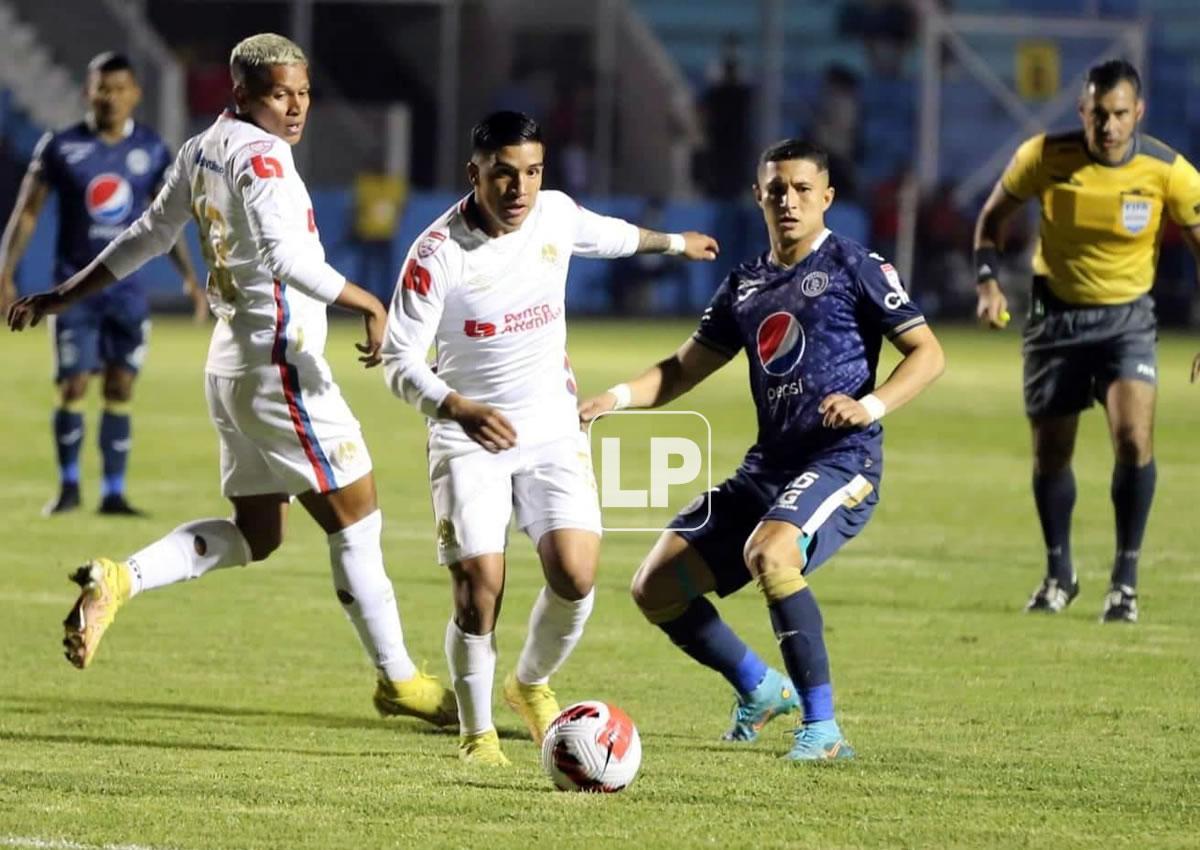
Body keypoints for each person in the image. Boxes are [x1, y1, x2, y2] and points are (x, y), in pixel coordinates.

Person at [6, 33, 455, 728]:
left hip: (232, 366)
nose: (298, 107)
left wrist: (60, 294)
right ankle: (399, 679)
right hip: (280, 364)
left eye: (304, 92)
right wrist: (369, 302)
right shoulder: (263, 158)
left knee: (260, 533)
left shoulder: (202, 147)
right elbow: (284, 258)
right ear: (240, 93)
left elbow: (149, 234)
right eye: (281, 94)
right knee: (357, 519)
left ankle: (119, 579)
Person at [578, 138, 945, 761]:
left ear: (827, 198)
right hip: (767, 468)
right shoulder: (745, 284)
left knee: (771, 555)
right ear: (759, 196)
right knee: (654, 588)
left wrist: (869, 405)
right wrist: (612, 398)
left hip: (841, 460)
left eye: (803, 190)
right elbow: (681, 369)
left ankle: (823, 730)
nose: (789, 201)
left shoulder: (858, 266)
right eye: (777, 190)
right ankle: (758, 688)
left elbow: (928, 353)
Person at [381, 110, 719, 765]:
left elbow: (615, 237)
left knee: (576, 573)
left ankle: (528, 685)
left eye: (532, 172)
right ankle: (476, 734)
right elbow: (399, 361)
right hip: (466, 433)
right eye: (503, 174)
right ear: (474, 173)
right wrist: (455, 406)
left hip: (550, 428)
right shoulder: (437, 253)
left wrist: (677, 243)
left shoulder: (555, 216)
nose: (519, 189)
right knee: (480, 585)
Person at [974, 60, 1200, 623]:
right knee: (1052, 453)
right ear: (1083, 111)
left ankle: (1124, 581)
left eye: (1120, 114)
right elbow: (990, 221)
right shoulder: (1044, 156)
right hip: (1055, 321)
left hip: (1128, 322)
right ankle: (1059, 573)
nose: (1109, 125)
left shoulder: (1168, 171)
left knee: (1131, 438)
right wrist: (987, 284)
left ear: (1138, 114)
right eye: (1099, 114)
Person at [0, 52, 205, 517]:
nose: (109, 97)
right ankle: (69, 488)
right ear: (87, 92)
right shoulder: (60, 147)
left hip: (127, 291)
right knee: (73, 385)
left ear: (135, 93)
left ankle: (114, 491)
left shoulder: (152, 150)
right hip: (71, 290)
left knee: (120, 388)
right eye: (101, 88)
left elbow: (165, 223)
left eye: (118, 88)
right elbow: (27, 211)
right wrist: (6, 271)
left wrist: (191, 279)